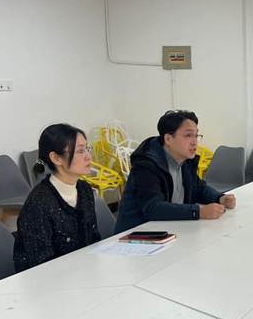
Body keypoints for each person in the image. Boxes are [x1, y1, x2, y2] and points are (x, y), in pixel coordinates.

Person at [115, 110, 236, 233]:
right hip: (136, 234)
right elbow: (153, 208)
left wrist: (219, 198)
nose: (194, 142)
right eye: (188, 135)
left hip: (169, 229)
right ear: (168, 139)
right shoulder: (146, 165)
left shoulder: (184, 159)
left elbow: (198, 188)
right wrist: (199, 212)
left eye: (196, 136)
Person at [14, 124, 101, 271]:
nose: (88, 156)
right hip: (49, 280)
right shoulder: (39, 204)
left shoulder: (84, 189)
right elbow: (41, 266)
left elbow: (93, 240)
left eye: (88, 148)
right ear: (56, 158)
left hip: (82, 272)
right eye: (80, 151)